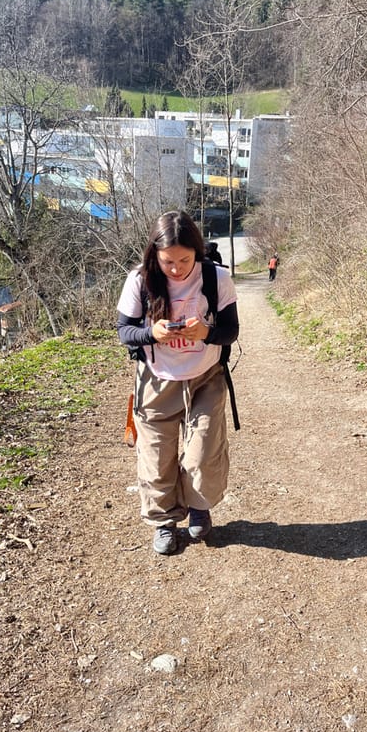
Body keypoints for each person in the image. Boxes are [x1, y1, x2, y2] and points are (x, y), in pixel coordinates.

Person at [116, 210, 240, 555]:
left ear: (197, 252)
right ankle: (164, 521)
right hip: (157, 382)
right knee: (156, 456)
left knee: (204, 451)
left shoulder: (216, 278)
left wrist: (206, 332)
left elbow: (231, 331)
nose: (176, 268)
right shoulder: (140, 280)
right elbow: (124, 331)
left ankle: (199, 507)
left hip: (205, 377)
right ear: (154, 255)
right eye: (168, 261)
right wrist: (150, 334)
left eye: (185, 260)